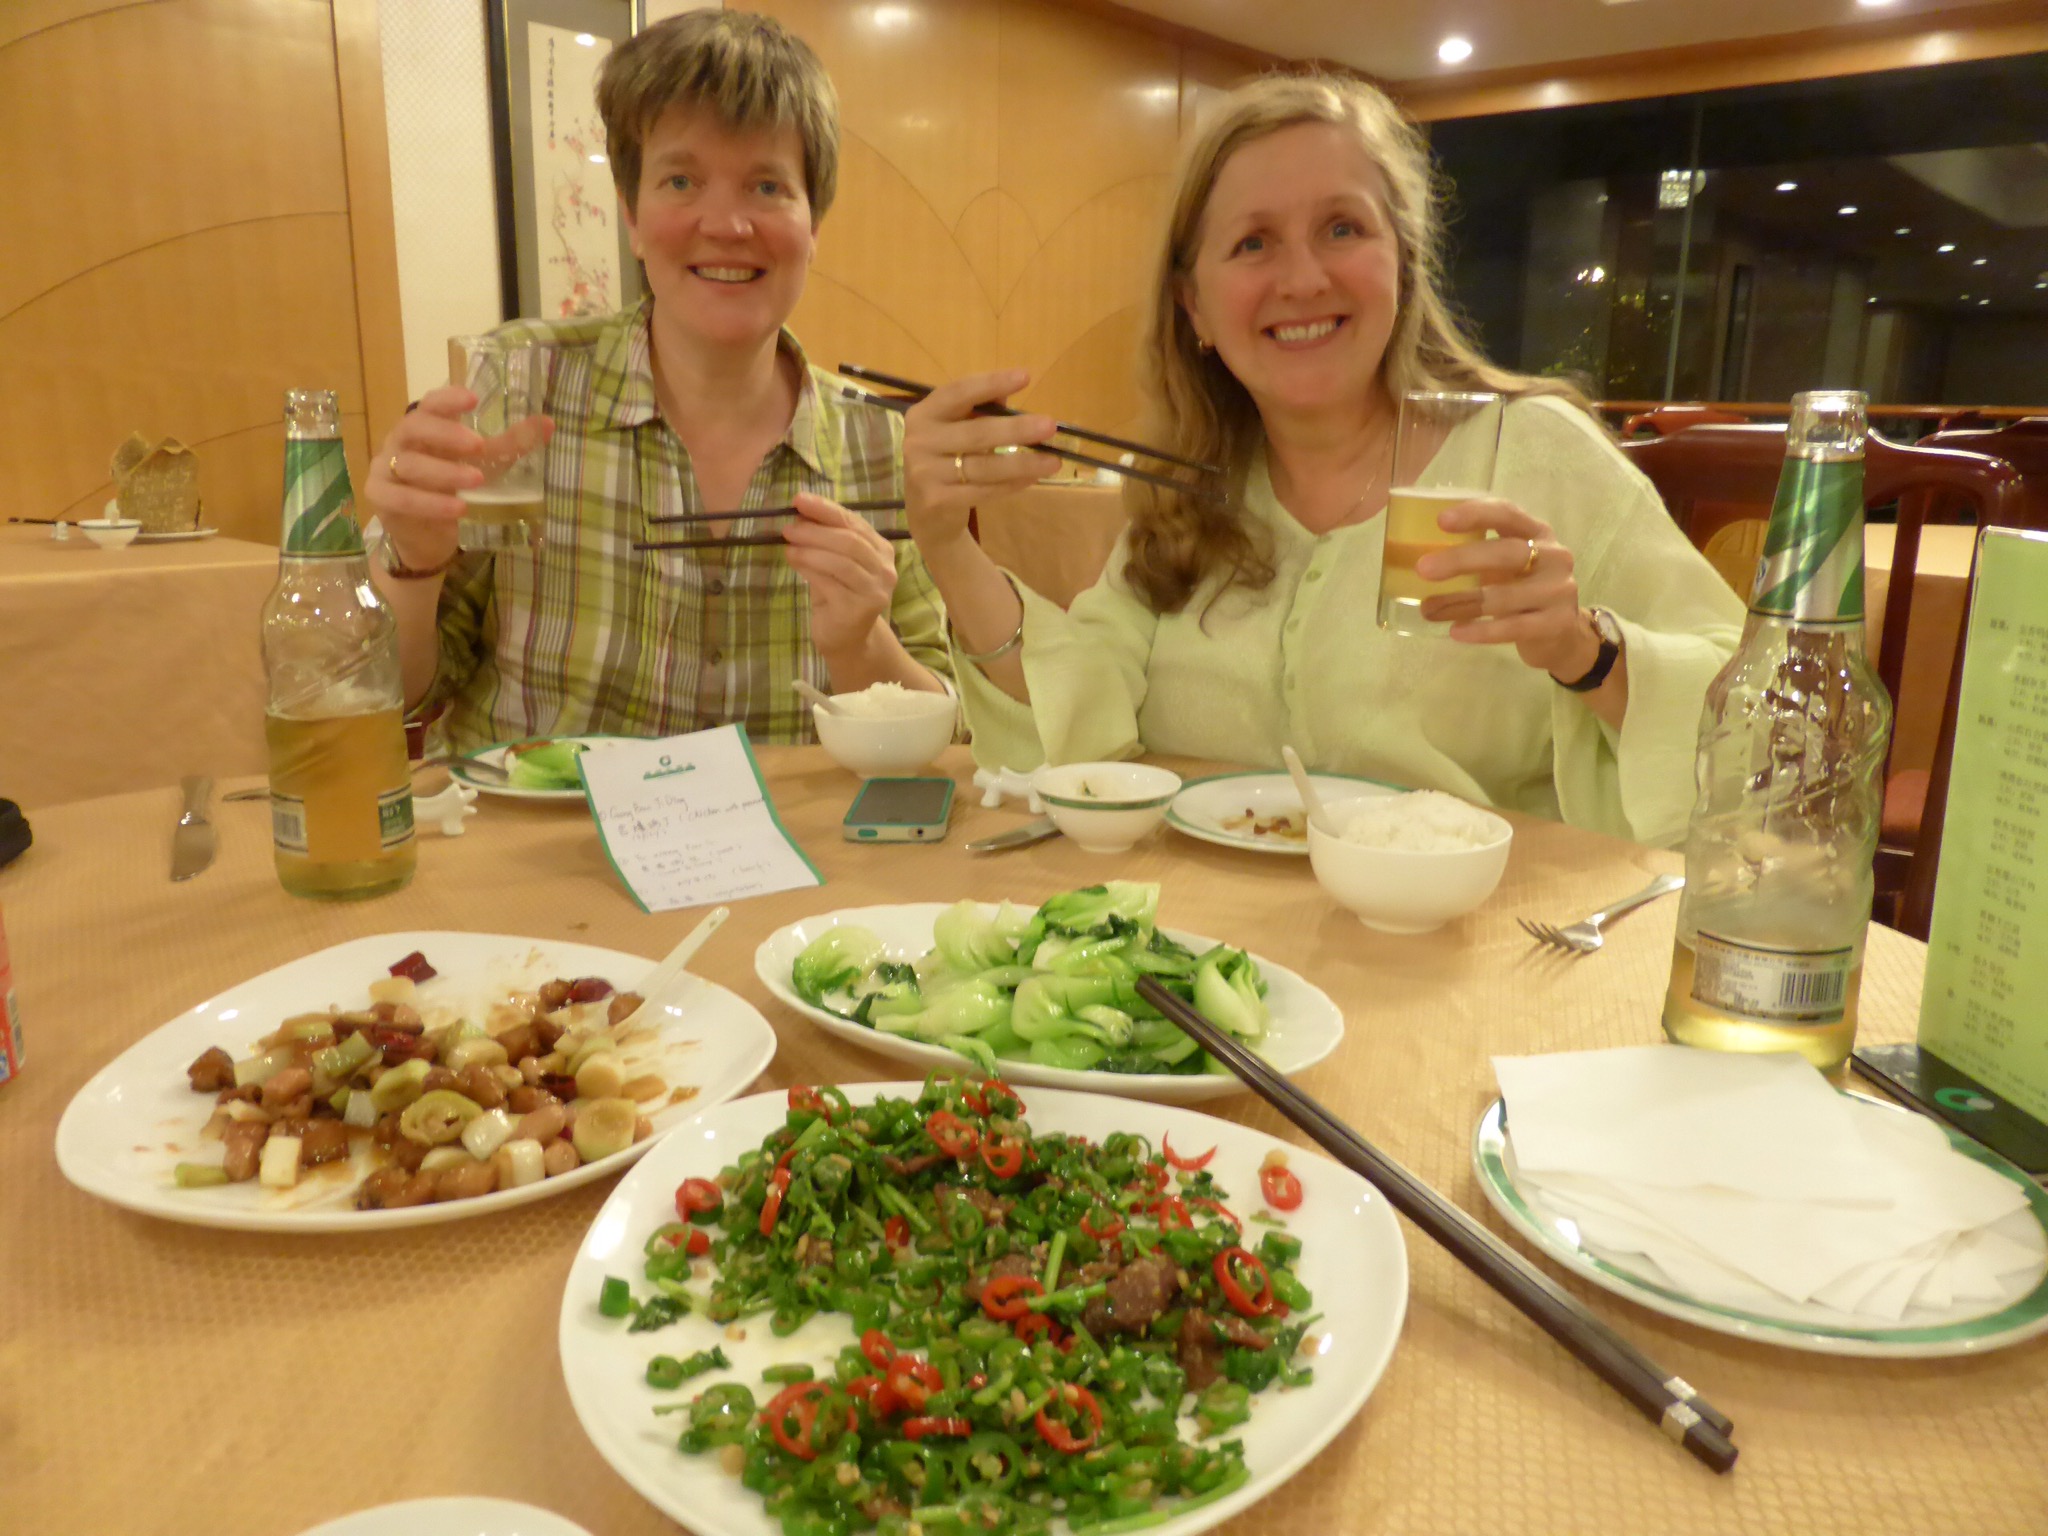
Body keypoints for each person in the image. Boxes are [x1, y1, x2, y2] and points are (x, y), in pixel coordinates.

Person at [900, 74, 1743, 849]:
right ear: (1194, 306)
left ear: (1402, 263)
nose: (1303, 279)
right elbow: (1074, 726)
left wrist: (1585, 650)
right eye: (1253, 244)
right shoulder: (1192, 491)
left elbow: (1755, 721)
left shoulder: (1531, 453)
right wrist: (947, 545)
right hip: (1208, 938)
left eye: (1342, 229)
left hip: (1477, 939)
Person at [365, 11, 950, 755]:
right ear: (633, 217)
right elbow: (388, 695)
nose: (727, 224)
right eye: (681, 180)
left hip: (790, 831)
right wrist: (412, 564)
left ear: (813, 227)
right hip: (534, 825)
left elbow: (949, 728)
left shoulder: (878, 443)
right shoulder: (519, 385)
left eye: (767, 185)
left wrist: (861, 643)